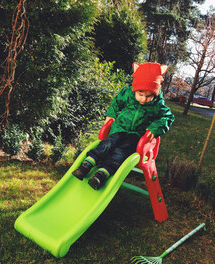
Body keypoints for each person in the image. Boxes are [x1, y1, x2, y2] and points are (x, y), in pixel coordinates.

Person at [72, 62, 175, 190]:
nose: (143, 99)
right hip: (119, 128)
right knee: (108, 143)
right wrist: (111, 114)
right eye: (140, 94)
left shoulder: (157, 105)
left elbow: (168, 117)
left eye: (149, 96)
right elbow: (116, 102)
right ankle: (88, 163)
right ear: (135, 89)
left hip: (135, 136)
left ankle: (102, 174)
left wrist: (155, 128)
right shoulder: (128, 94)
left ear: (155, 92)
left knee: (121, 152)